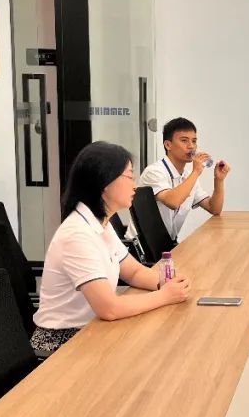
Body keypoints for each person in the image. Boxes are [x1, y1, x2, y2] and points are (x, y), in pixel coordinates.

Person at [32, 141, 191, 355]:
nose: (134, 185)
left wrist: (166, 282)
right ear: (105, 182)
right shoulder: (77, 234)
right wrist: (164, 296)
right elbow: (109, 308)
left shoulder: (101, 224)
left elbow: (133, 272)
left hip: (93, 329)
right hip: (62, 342)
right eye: (129, 176)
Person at [138, 117, 231, 241]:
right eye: (184, 141)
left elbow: (214, 208)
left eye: (194, 141)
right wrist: (196, 172)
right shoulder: (154, 172)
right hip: (143, 247)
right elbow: (173, 202)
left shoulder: (188, 176)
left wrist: (218, 180)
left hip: (167, 244)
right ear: (168, 145)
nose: (191, 146)